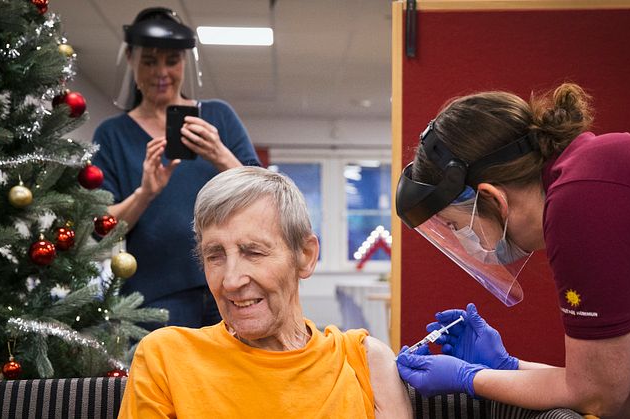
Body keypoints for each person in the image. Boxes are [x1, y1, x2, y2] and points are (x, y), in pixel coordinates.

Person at [394, 83, 630, 418]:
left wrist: (469, 379)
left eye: (457, 226)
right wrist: (507, 367)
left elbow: (598, 396)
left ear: (492, 198)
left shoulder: (581, 203)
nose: (466, 242)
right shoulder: (588, 184)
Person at [117, 166, 412, 418]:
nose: (231, 280)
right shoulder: (165, 357)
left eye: (253, 252)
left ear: (305, 256)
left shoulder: (365, 361)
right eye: (215, 255)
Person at [91, 7, 260, 329]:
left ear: (184, 62)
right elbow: (104, 226)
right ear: (130, 60)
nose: (161, 72)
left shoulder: (217, 116)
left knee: (231, 378)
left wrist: (220, 154)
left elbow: (261, 195)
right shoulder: (113, 134)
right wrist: (145, 193)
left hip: (232, 285)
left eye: (172, 60)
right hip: (154, 295)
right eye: (149, 61)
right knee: (166, 379)